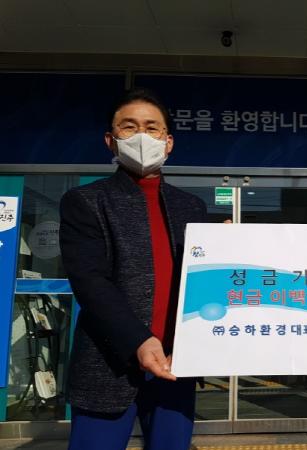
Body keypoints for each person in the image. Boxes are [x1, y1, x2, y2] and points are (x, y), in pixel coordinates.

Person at [59, 88, 207, 450]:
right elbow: (90, 281)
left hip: (176, 363)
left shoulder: (192, 207)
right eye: (129, 127)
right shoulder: (86, 201)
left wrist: (229, 250)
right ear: (110, 140)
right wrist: (139, 340)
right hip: (108, 364)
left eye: (152, 128)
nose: (142, 136)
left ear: (168, 142)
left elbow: (202, 280)